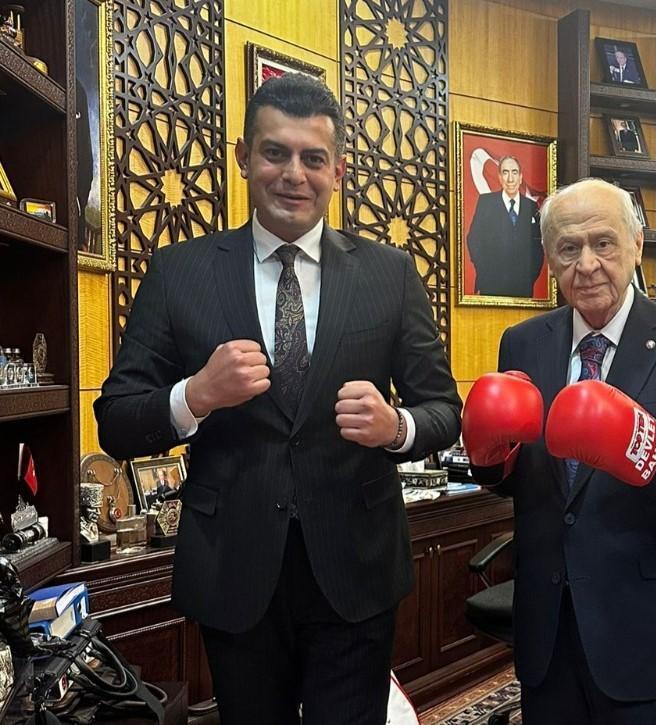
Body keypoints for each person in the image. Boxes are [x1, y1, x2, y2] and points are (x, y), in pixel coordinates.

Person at [94, 73, 461, 725]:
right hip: (234, 568)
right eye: (275, 153)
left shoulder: (390, 273)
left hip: (355, 568)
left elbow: (443, 410)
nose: (294, 174)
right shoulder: (179, 272)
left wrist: (397, 426)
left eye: (313, 158)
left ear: (337, 171)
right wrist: (195, 395)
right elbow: (116, 420)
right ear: (243, 157)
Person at [461, 178, 656, 724]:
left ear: (636, 244)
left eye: (603, 242)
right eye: (568, 248)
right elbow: (520, 481)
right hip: (549, 635)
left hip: (651, 639)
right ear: (549, 260)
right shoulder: (522, 343)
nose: (586, 264)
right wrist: (488, 460)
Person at [465, 155, 544, 297]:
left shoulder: (531, 206)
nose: (510, 179)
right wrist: (484, 271)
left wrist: (529, 278)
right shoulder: (486, 202)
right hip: (490, 285)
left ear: (520, 177)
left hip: (523, 287)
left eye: (514, 172)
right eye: (505, 173)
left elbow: (538, 247)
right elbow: (473, 238)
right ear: (500, 177)